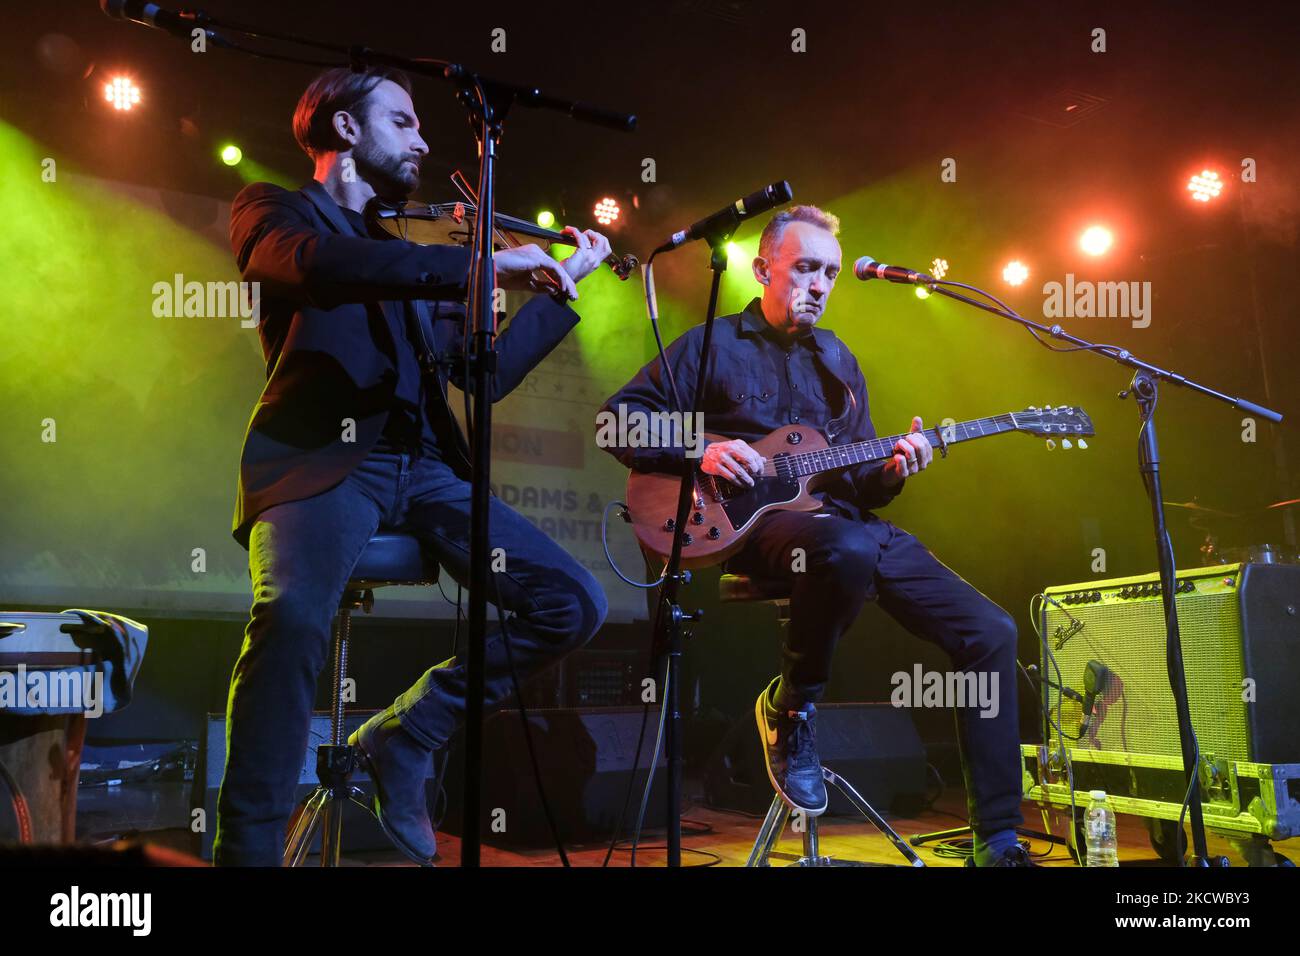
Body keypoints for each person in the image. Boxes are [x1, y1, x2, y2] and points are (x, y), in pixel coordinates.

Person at [214, 66, 609, 866]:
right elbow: (304, 265)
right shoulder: (277, 207)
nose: (425, 138)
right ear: (346, 129)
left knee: (573, 603)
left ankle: (408, 731)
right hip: (325, 459)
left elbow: (480, 375)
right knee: (289, 618)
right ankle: (246, 851)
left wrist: (559, 293)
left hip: (425, 467)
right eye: (405, 120)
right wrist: (478, 267)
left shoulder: (408, 254)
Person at [599, 205, 1032, 866]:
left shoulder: (838, 360)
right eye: (806, 267)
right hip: (754, 529)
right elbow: (616, 424)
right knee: (843, 548)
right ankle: (793, 710)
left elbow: (856, 477)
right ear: (765, 267)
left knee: (992, 631)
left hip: (844, 525)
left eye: (830, 272)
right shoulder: (710, 345)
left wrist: (892, 470)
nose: (821, 283)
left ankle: (997, 839)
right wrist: (702, 451)